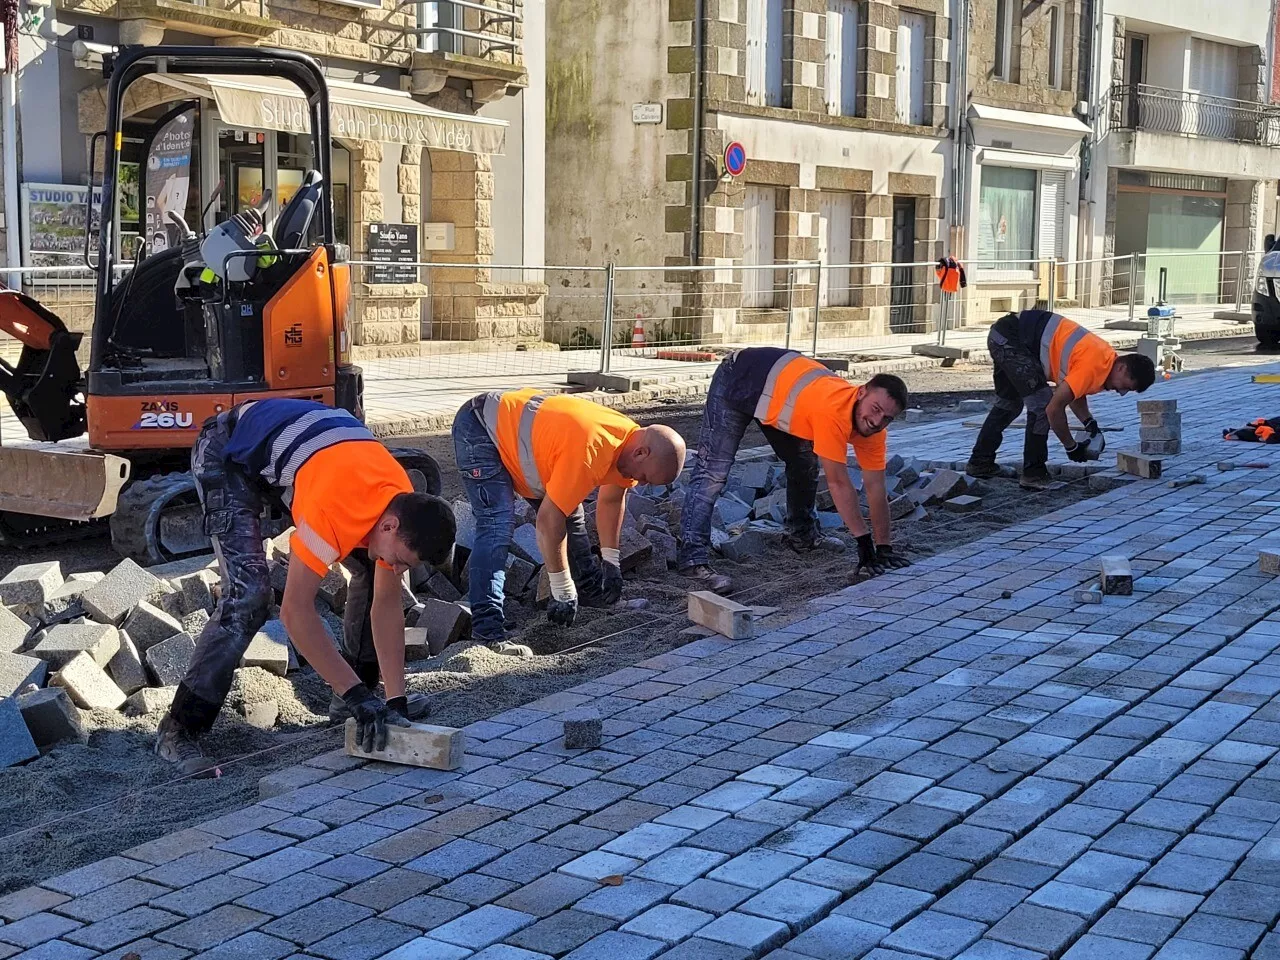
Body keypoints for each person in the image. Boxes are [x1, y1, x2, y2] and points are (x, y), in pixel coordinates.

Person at [155, 398, 455, 776]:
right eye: (401, 561)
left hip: (304, 452)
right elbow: (296, 613)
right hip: (228, 450)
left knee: (370, 567)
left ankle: (355, 699)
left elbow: (386, 605)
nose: (396, 568)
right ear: (390, 526)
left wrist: (396, 702)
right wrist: (359, 696)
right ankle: (179, 729)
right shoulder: (333, 512)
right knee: (249, 595)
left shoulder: (399, 502)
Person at [453, 390, 685, 657]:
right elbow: (548, 521)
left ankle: (591, 594)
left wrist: (612, 562)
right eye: (644, 477)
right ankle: (488, 631)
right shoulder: (591, 449)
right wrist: (561, 588)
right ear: (642, 453)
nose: (639, 483)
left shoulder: (628, 442)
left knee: (572, 516)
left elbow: (610, 501)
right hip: (481, 428)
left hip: (530, 448)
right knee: (496, 524)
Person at [678, 348, 910, 593]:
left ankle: (803, 536)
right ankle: (692, 559)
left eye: (887, 418)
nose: (877, 421)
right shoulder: (833, 413)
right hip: (740, 375)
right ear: (861, 392)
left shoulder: (873, 430)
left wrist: (884, 547)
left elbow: (876, 488)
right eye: (875, 409)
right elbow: (839, 483)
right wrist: (864, 545)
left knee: (804, 462)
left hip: (779, 393)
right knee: (713, 470)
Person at [966, 309, 1156, 490]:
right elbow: (1054, 409)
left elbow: (1073, 391)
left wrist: (1089, 423)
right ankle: (1034, 474)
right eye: (1126, 386)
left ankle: (980, 462)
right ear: (1122, 369)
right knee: (1041, 405)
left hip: (1008, 336)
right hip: (1011, 339)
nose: (1120, 391)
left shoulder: (1104, 360)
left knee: (1009, 403)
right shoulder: (1094, 365)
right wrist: (1070, 446)